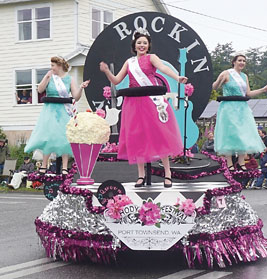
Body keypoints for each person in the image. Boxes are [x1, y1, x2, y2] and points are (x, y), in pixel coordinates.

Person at [100, 29, 187, 188]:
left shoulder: (151, 58)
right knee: (137, 137)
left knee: (160, 135)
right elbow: (117, 80)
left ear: (148, 46)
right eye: (139, 42)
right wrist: (107, 72)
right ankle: (141, 175)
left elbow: (163, 68)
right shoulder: (129, 62)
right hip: (134, 104)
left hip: (152, 101)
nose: (142, 45)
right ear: (134, 45)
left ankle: (168, 173)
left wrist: (177, 77)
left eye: (144, 43)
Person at [25, 56, 90, 175]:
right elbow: (40, 90)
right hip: (50, 110)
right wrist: (46, 77)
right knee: (48, 136)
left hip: (64, 110)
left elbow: (76, 96)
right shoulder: (50, 77)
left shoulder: (70, 79)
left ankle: (65, 167)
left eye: (53, 65)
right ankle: (44, 165)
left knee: (64, 137)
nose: (51, 68)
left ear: (59, 66)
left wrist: (81, 88)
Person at [212, 53, 267, 171]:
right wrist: (219, 80)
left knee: (243, 133)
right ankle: (229, 161)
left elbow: (248, 94)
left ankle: (241, 161)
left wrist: (263, 90)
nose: (242, 63)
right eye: (240, 60)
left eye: (244, 61)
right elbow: (214, 87)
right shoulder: (226, 73)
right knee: (229, 133)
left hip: (242, 108)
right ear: (234, 62)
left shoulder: (244, 76)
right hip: (229, 107)